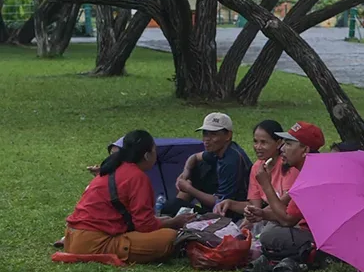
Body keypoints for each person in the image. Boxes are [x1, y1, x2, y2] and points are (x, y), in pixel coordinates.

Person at [63, 130, 195, 263]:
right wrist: (173, 222)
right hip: (93, 242)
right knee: (170, 237)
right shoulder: (137, 177)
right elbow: (144, 226)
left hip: (72, 237)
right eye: (154, 151)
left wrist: (162, 220)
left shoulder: (112, 168)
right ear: (147, 155)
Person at [243, 121, 325, 272]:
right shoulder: (307, 172)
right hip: (303, 230)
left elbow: (288, 219)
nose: (282, 149)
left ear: (304, 150)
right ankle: (290, 257)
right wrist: (262, 214)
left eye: (288, 144)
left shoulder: (311, 178)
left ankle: (307, 255)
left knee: (269, 234)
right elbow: (287, 212)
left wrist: (266, 184)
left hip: (316, 236)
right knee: (269, 228)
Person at [161, 113, 251, 217]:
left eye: (213, 134)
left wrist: (189, 188)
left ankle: (175, 210)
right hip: (216, 201)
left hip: (229, 213)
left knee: (172, 208)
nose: (207, 139)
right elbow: (193, 157)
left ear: (228, 135)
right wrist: (185, 173)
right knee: (199, 165)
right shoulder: (218, 150)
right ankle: (178, 205)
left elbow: (219, 203)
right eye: (205, 134)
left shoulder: (231, 161)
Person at [213, 120, 284, 218]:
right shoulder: (257, 167)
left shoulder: (287, 167)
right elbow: (255, 206)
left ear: (279, 143)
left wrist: (261, 214)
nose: (258, 147)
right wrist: (230, 203)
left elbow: (284, 207)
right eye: (255, 141)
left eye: (263, 142)